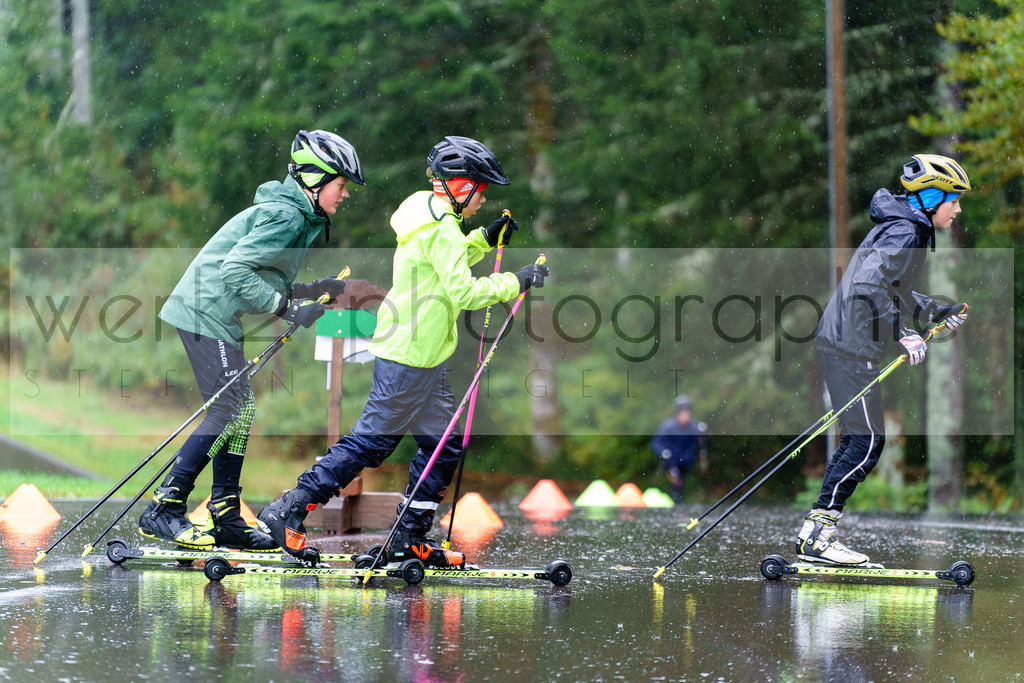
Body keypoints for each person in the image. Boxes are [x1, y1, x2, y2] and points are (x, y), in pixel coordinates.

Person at [258, 135, 549, 566]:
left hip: (423, 357)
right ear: (460, 185)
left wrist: (484, 240)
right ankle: (288, 509)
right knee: (371, 445)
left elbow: (444, 257)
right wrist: (517, 281)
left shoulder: (429, 215)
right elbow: (465, 291)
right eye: (480, 190)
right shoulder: (440, 226)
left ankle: (408, 535)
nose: (483, 199)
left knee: (444, 444)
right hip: (409, 356)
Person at [139, 130, 365, 550]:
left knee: (240, 409)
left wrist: (307, 289)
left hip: (217, 314)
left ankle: (225, 512)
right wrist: (287, 308)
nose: (345, 194)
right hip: (204, 309)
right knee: (229, 408)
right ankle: (163, 509)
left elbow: (261, 271)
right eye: (341, 184)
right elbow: (234, 270)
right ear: (315, 181)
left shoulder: (294, 214)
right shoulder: (287, 215)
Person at [797, 154, 971, 565]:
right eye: (954, 200)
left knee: (861, 437)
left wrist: (933, 312)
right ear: (932, 197)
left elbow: (893, 289)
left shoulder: (907, 226)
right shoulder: (906, 232)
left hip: (847, 340)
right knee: (868, 440)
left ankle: (814, 533)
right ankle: (818, 535)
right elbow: (868, 285)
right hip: (848, 342)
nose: (959, 209)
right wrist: (905, 333)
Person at [651, 395, 709, 503]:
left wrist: (704, 433)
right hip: (672, 462)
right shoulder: (667, 427)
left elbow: (703, 443)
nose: (685, 414)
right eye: (682, 411)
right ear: (677, 413)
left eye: (687, 411)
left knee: (683, 486)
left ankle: (681, 502)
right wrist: (663, 452)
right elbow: (656, 442)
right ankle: (674, 502)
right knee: (675, 484)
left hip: (687, 463)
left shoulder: (696, 427)